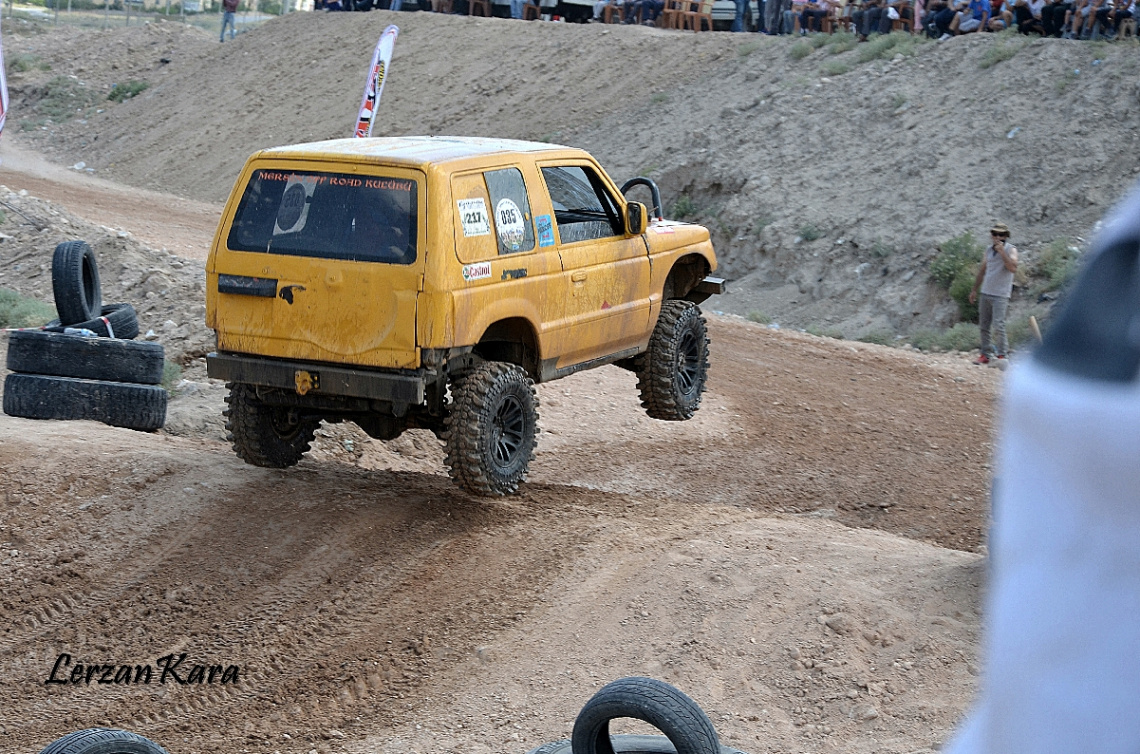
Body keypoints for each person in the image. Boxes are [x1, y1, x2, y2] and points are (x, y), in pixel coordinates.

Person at [969, 222, 1018, 365]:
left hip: (1001, 294)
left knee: (998, 325)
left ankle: (1002, 355)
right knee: (984, 325)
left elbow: (1013, 268)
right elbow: (983, 270)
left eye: (1001, 235)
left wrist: (1002, 252)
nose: (998, 237)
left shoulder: (1011, 250)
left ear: (1006, 237)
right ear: (992, 235)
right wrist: (974, 289)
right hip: (986, 292)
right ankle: (985, 354)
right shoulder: (988, 251)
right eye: (995, 234)